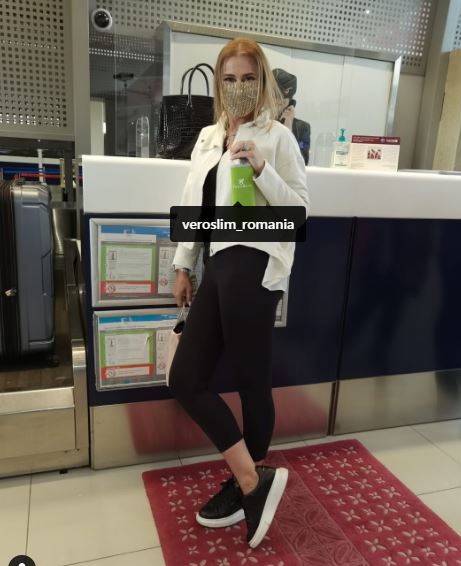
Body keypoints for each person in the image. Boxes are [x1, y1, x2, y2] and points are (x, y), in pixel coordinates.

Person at [168, 38, 309, 549]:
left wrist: (262, 170)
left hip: (254, 258)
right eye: (228, 79)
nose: (238, 87)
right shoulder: (207, 138)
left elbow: (298, 214)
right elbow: (194, 205)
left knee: (252, 380)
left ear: (262, 80)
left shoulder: (278, 138)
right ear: (218, 85)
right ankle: (253, 479)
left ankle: (249, 481)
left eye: (248, 77)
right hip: (217, 261)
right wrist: (184, 263)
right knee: (185, 378)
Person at [272, 68, 311, 165]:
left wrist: (288, 130)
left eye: (282, 99)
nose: (277, 101)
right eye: (274, 97)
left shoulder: (302, 128)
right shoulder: (258, 123)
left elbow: (303, 162)